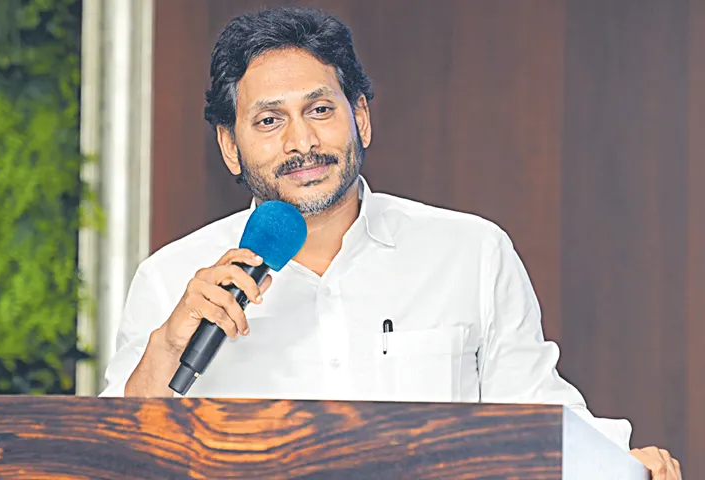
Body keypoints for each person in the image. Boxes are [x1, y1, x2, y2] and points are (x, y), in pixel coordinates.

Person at [100, 7, 681, 479]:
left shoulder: (471, 254)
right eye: (270, 121)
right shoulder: (169, 278)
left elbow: (538, 415)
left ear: (361, 118)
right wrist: (166, 350)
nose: (302, 141)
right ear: (231, 147)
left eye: (321, 110)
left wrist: (621, 465)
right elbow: (106, 458)